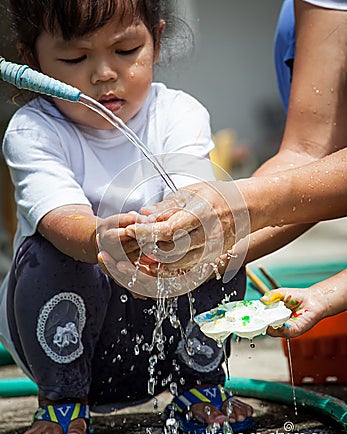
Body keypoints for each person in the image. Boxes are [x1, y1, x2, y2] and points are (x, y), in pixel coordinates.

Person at [0, 1, 253, 434]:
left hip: (159, 338)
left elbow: (195, 191)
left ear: (155, 40)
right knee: (50, 249)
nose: (103, 74)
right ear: (31, 62)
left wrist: (179, 224)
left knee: (218, 240)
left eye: (127, 50)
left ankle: (199, 380)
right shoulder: (33, 130)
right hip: (65, 339)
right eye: (75, 59)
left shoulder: (180, 113)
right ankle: (62, 399)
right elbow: (61, 216)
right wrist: (101, 239)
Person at [118, 0, 347, 272]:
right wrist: (197, 260)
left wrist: (241, 202)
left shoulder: (178, 111)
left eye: (126, 50)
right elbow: (308, 154)